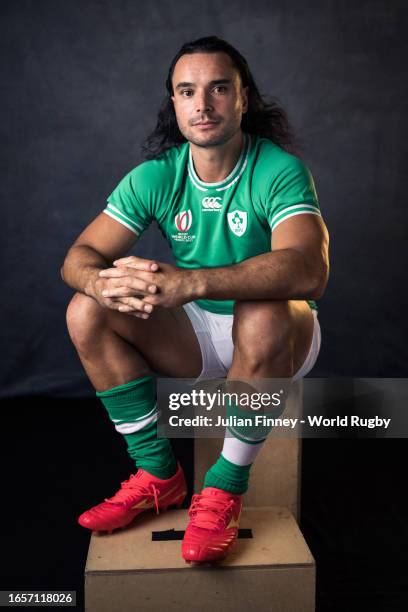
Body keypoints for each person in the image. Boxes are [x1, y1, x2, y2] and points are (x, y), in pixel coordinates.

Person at [61, 35, 329, 564]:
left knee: (263, 304)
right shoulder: (158, 176)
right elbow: (80, 254)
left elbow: (309, 270)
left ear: (243, 98)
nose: (202, 104)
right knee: (86, 310)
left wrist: (195, 281)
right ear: (175, 104)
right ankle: (159, 474)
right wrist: (100, 282)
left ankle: (226, 487)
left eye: (218, 88)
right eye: (187, 92)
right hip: (199, 336)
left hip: (281, 339)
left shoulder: (277, 169)